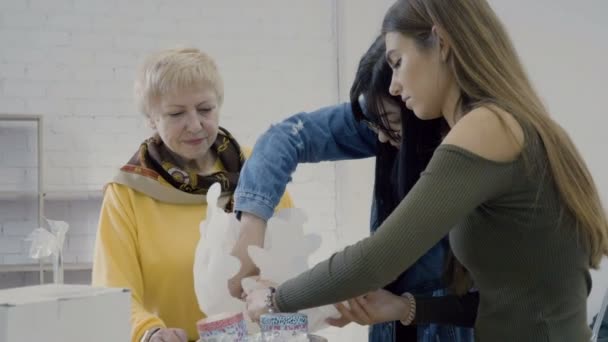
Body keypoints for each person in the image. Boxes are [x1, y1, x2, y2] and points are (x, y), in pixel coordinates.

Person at [245, 0, 608, 341]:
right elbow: (508, 296)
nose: (393, 84)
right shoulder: (513, 122)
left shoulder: (487, 127)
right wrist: (405, 308)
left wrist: (276, 299)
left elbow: (376, 259)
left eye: (398, 61)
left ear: (441, 42)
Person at [230, 35, 474, 341]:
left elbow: (374, 260)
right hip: (390, 317)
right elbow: (286, 137)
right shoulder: (386, 120)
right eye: (374, 126)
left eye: (392, 124)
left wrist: (277, 299)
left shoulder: (471, 154)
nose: (382, 139)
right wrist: (251, 227)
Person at [91, 47, 293, 342]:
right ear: (151, 118)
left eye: (205, 109)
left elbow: (289, 258)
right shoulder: (128, 193)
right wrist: (149, 331)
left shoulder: (258, 171)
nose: (195, 125)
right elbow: (112, 291)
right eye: (176, 114)